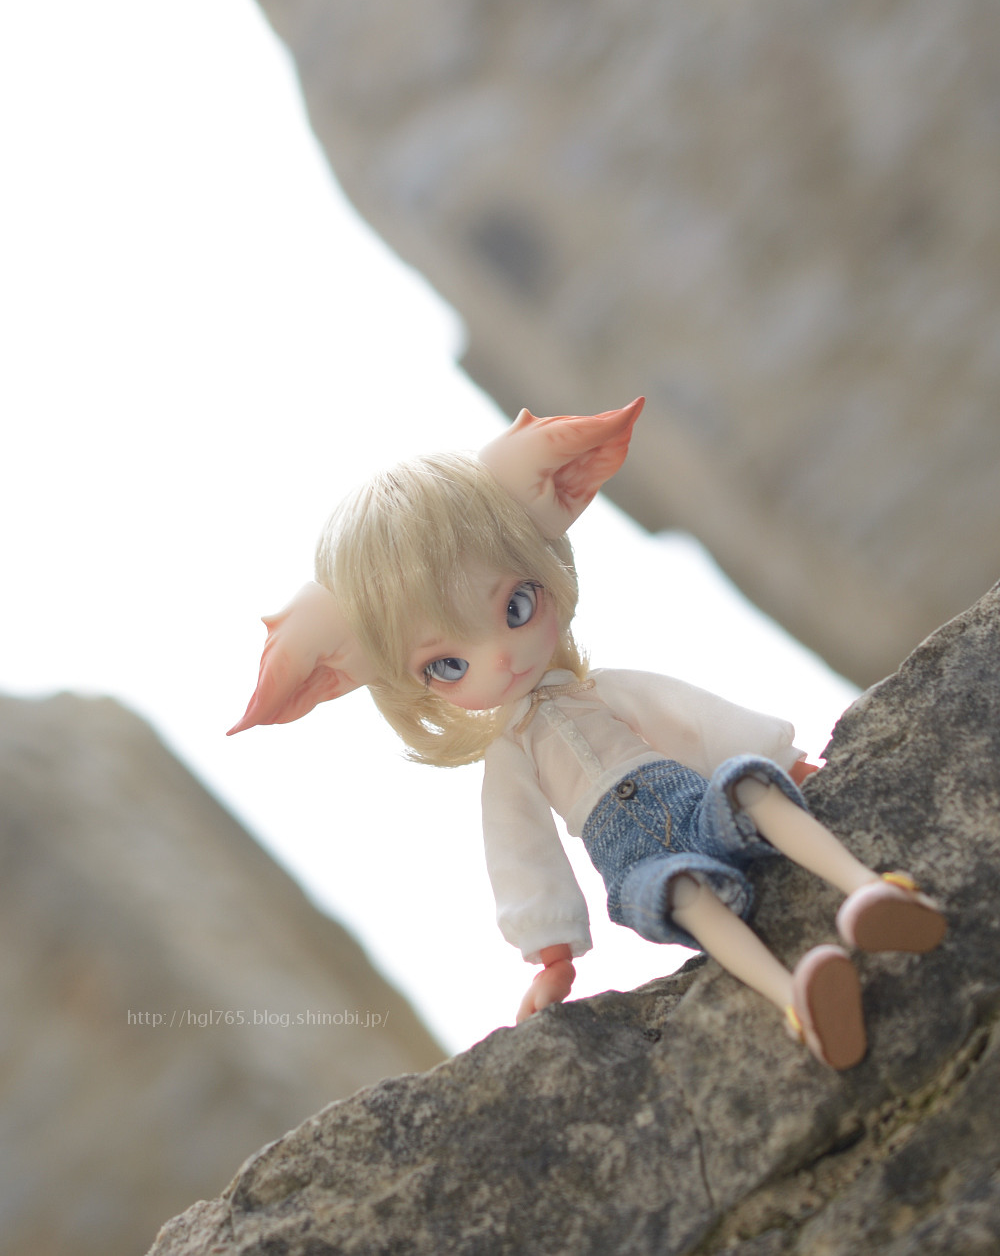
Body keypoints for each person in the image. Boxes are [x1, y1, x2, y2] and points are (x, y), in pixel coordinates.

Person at [229, 399, 945, 1068]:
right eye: (448, 663)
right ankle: (797, 1001)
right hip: (633, 855)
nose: (501, 658)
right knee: (685, 894)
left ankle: (869, 891)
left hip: (692, 796)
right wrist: (551, 950)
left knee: (751, 786)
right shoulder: (512, 756)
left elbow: (690, 716)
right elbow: (520, 845)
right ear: (408, 683)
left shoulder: (606, 691)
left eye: (515, 605)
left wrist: (782, 757)